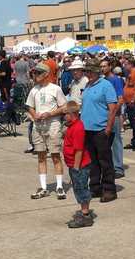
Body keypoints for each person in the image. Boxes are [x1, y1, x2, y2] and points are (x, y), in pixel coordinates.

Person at [26, 62, 67, 199]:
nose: (35, 75)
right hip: (38, 125)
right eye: (34, 73)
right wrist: (34, 114)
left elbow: (64, 107)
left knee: (55, 155)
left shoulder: (55, 89)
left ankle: (59, 186)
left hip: (52, 124)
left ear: (45, 74)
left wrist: (50, 113)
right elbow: (29, 106)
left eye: (38, 73)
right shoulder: (34, 90)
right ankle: (43, 188)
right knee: (41, 156)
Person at [81, 61, 119, 203]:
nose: (88, 74)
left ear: (98, 72)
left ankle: (109, 189)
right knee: (92, 161)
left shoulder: (106, 85)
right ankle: (95, 187)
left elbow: (113, 108)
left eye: (90, 72)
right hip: (88, 129)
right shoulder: (87, 85)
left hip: (101, 129)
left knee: (105, 161)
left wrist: (108, 128)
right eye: (86, 72)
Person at [62, 101, 94, 228]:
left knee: (81, 188)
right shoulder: (72, 126)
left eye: (66, 114)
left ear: (73, 114)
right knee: (78, 188)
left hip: (80, 166)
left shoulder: (78, 128)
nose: (64, 116)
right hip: (73, 165)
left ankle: (85, 215)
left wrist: (76, 167)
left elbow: (79, 150)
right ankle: (83, 211)